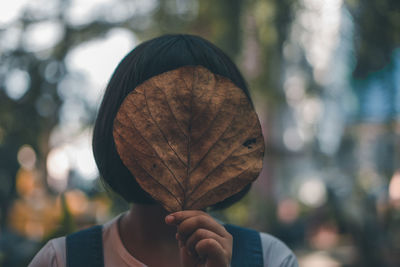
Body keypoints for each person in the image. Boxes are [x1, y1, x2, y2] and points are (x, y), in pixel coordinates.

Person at [29, 34, 298, 267]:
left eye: (206, 123)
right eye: (159, 121)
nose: (184, 140)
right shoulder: (61, 260)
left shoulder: (271, 258)